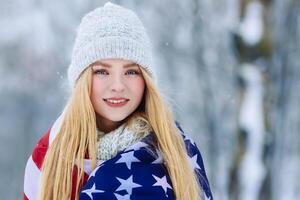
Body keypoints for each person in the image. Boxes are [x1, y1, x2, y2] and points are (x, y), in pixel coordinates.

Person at [23, 2, 213, 200]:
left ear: (146, 81)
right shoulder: (50, 155)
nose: (118, 85)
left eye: (131, 71)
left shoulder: (176, 151)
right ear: (82, 80)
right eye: (102, 71)